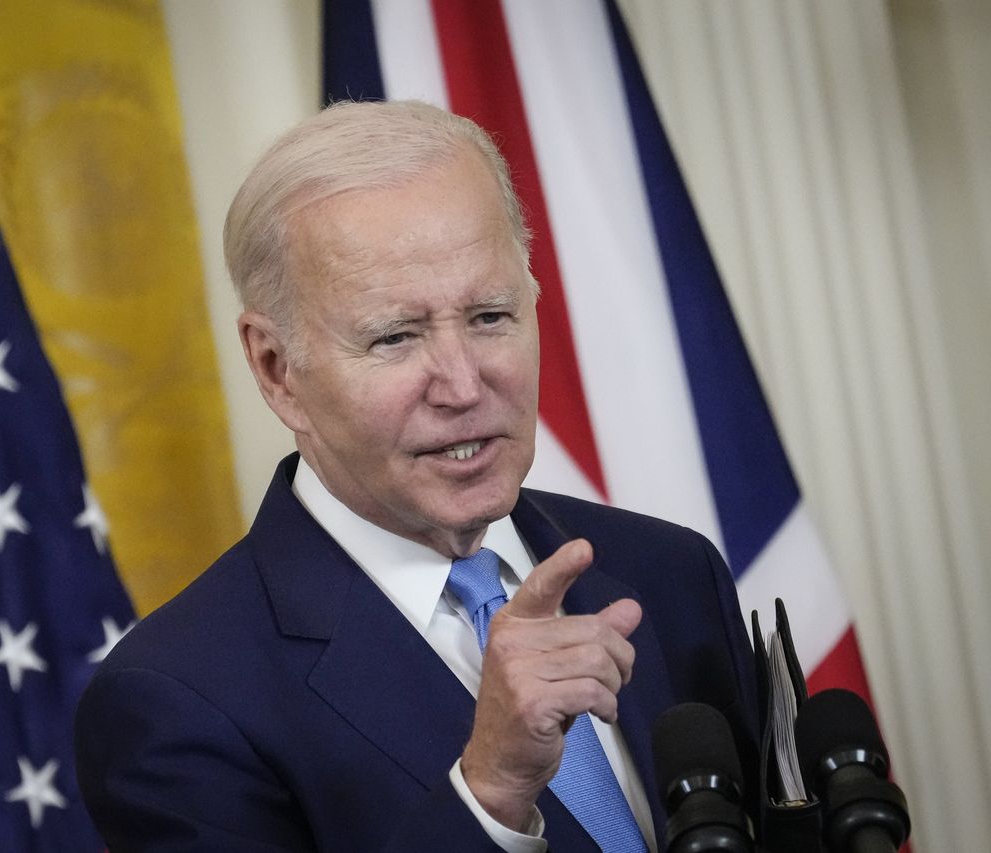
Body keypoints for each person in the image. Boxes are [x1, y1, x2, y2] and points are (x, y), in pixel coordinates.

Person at [74, 100, 758, 852]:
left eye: (490, 317)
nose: (464, 385)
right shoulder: (175, 697)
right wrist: (490, 793)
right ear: (277, 370)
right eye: (395, 337)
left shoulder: (671, 572)